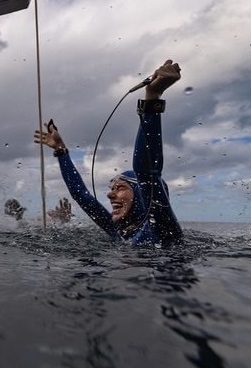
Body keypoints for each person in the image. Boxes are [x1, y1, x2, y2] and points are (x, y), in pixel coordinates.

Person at [34, 59, 183, 245]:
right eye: (112, 189)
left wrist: (152, 97)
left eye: (120, 188)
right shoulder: (118, 231)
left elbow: (147, 173)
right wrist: (61, 151)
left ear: (143, 194)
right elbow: (81, 195)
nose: (110, 195)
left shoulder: (162, 228)